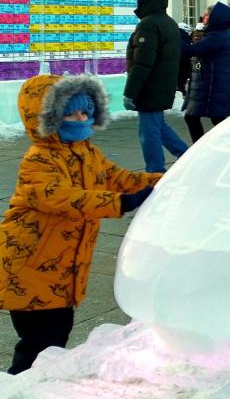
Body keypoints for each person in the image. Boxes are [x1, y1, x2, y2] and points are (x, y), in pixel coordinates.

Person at [0, 74, 162, 375]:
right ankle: (15, 395)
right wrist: (119, 203)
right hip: (30, 267)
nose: (80, 118)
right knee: (37, 344)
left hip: (61, 271)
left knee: (56, 339)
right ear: (46, 118)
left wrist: (165, 181)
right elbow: (61, 197)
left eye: (85, 111)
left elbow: (121, 179)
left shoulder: (87, 153)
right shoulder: (39, 159)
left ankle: (38, 386)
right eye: (69, 113)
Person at [123, 0, 188, 173]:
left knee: (148, 132)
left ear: (146, 0)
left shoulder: (148, 25)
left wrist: (130, 93)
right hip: (163, 84)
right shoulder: (169, 23)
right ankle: (186, 156)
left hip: (149, 87)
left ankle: (155, 171)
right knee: (159, 126)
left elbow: (143, 62)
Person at [181, 2, 230, 143]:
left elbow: (192, 50)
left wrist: (178, 36)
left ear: (215, 18)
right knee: (209, 118)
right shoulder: (216, 34)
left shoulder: (216, 36)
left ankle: (206, 148)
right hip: (210, 83)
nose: (203, 17)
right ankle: (214, 147)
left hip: (213, 85)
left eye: (206, 15)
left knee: (199, 118)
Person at [177, 22, 192, 96]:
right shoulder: (187, 37)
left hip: (175, 59)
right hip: (185, 60)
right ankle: (181, 88)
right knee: (183, 76)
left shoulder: (174, 35)